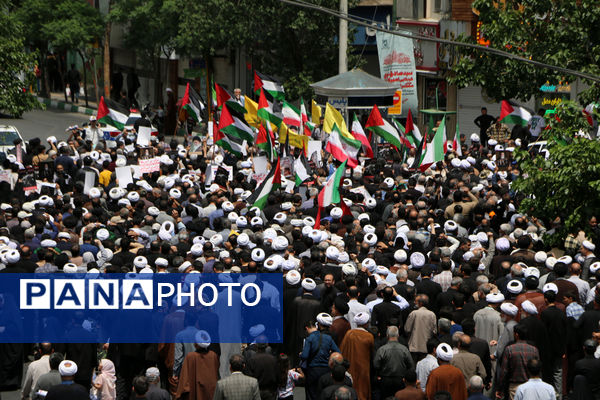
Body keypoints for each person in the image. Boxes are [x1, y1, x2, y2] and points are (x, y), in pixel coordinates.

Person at [496, 324, 540, 400]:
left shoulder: (509, 349)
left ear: (516, 334)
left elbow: (504, 371)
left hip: (514, 386)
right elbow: (538, 369)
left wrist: (499, 388)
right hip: (530, 386)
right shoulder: (534, 350)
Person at [301, 316, 340, 400]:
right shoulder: (328, 338)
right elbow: (338, 352)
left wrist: (301, 354)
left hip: (313, 370)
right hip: (326, 369)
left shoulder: (309, 338)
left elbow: (304, 356)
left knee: (311, 393)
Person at [175, 330, 219, 400]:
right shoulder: (213, 355)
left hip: (194, 393)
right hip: (210, 393)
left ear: (196, 344)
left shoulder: (191, 357)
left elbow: (184, 380)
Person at [340, 312, 374, 400]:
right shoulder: (369, 336)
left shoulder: (349, 334)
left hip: (350, 368)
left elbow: (342, 350)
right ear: (366, 323)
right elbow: (372, 354)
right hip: (364, 369)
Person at [373, 326, 414, 398]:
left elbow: (376, 365)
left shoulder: (382, 349)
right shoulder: (404, 349)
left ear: (387, 335)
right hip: (400, 380)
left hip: (385, 380)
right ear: (398, 335)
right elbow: (411, 365)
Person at [405, 294, 437, 362]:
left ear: (420, 303)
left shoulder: (414, 313)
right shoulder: (432, 314)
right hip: (426, 347)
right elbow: (434, 331)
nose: (415, 303)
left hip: (413, 346)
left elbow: (407, 329)